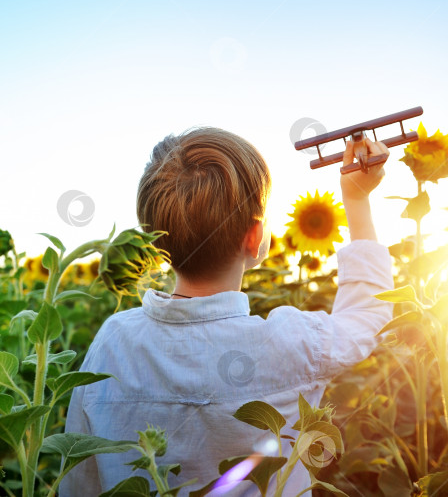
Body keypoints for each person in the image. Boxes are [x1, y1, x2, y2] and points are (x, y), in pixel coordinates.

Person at [61, 127, 394, 496]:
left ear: (152, 238)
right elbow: (367, 315)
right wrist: (358, 199)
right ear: (254, 237)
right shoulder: (290, 343)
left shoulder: (112, 341)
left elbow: (79, 475)